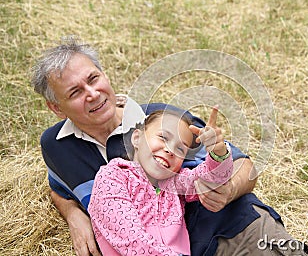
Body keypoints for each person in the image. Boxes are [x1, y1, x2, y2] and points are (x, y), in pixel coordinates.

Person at [31, 36, 308, 256]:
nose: (92, 94)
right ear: (56, 108)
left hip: (222, 226)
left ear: (104, 75)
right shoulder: (57, 147)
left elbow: (243, 166)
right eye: (75, 92)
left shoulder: (163, 120)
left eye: (93, 79)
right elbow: (59, 186)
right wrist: (73, 215)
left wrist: (226, 190)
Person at [89, 107, 234, 255]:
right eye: (163, 138)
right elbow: (131, 240)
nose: (170, 150)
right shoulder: (112, 177)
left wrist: (218, 152)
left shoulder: (175, 183)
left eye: (180, 149)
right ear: (137, 138)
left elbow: (212, 179)